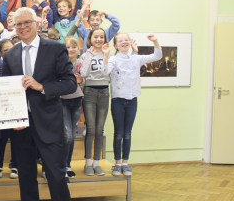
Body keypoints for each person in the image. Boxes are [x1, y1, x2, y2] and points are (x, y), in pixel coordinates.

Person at [2, 7, 77, 201]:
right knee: (26, 182)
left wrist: (41, 86)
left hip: (49, 125)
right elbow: (5, 90)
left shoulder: (54, 48)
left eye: (26, 22)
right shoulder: (10, 54)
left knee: (57, 180)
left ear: (36, 24)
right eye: (17, 24)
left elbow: (70, 83)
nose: (22, 27)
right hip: (21, 128)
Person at [101, 33, 162, 176]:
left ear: (129, 42)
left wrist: (155, 41)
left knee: (127, 134)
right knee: (118, 133)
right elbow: (104, 73)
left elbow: (157, 56)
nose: (124, 42)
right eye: (120, 41)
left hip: (132, 100)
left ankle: (125, 164)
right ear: (115, 45)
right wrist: (105, 54)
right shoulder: (113, 59)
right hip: (117, 100)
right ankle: (117, 164)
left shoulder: (136, 58)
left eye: (126, 40)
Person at [79, 28, 112, 176]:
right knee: (91, 130)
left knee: (100, 130)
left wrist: (105, 55)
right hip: (90, 92)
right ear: (90, 38)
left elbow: (107, 73)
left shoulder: (110, 54)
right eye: (95, 37)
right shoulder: (86, 54)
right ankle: (87, 163)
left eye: (101, 37)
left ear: (104, 39)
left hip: (104, 92)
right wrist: (89, 56)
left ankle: (97, 163)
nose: (98, 39)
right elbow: (84, 74)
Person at [0, 39, 18, 178]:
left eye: (11, 49)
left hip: (16, 104)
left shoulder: (19, 63)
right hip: (1, 104)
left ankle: (15, 165)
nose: (9, 53)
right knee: (1, 138)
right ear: (0, 53)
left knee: (15, 137)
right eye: (5, 50)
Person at [61, 35, 84, 179]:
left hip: (76, 101)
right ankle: (62, 166)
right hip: (63, 101)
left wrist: (81, 81)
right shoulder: (61, 62)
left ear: (78, 48)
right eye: (68, 47)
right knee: (67, 136)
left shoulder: (81, 63)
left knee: (73, 135)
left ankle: (68, 165)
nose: (71, 49)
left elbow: (84, 80)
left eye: (73, 47)